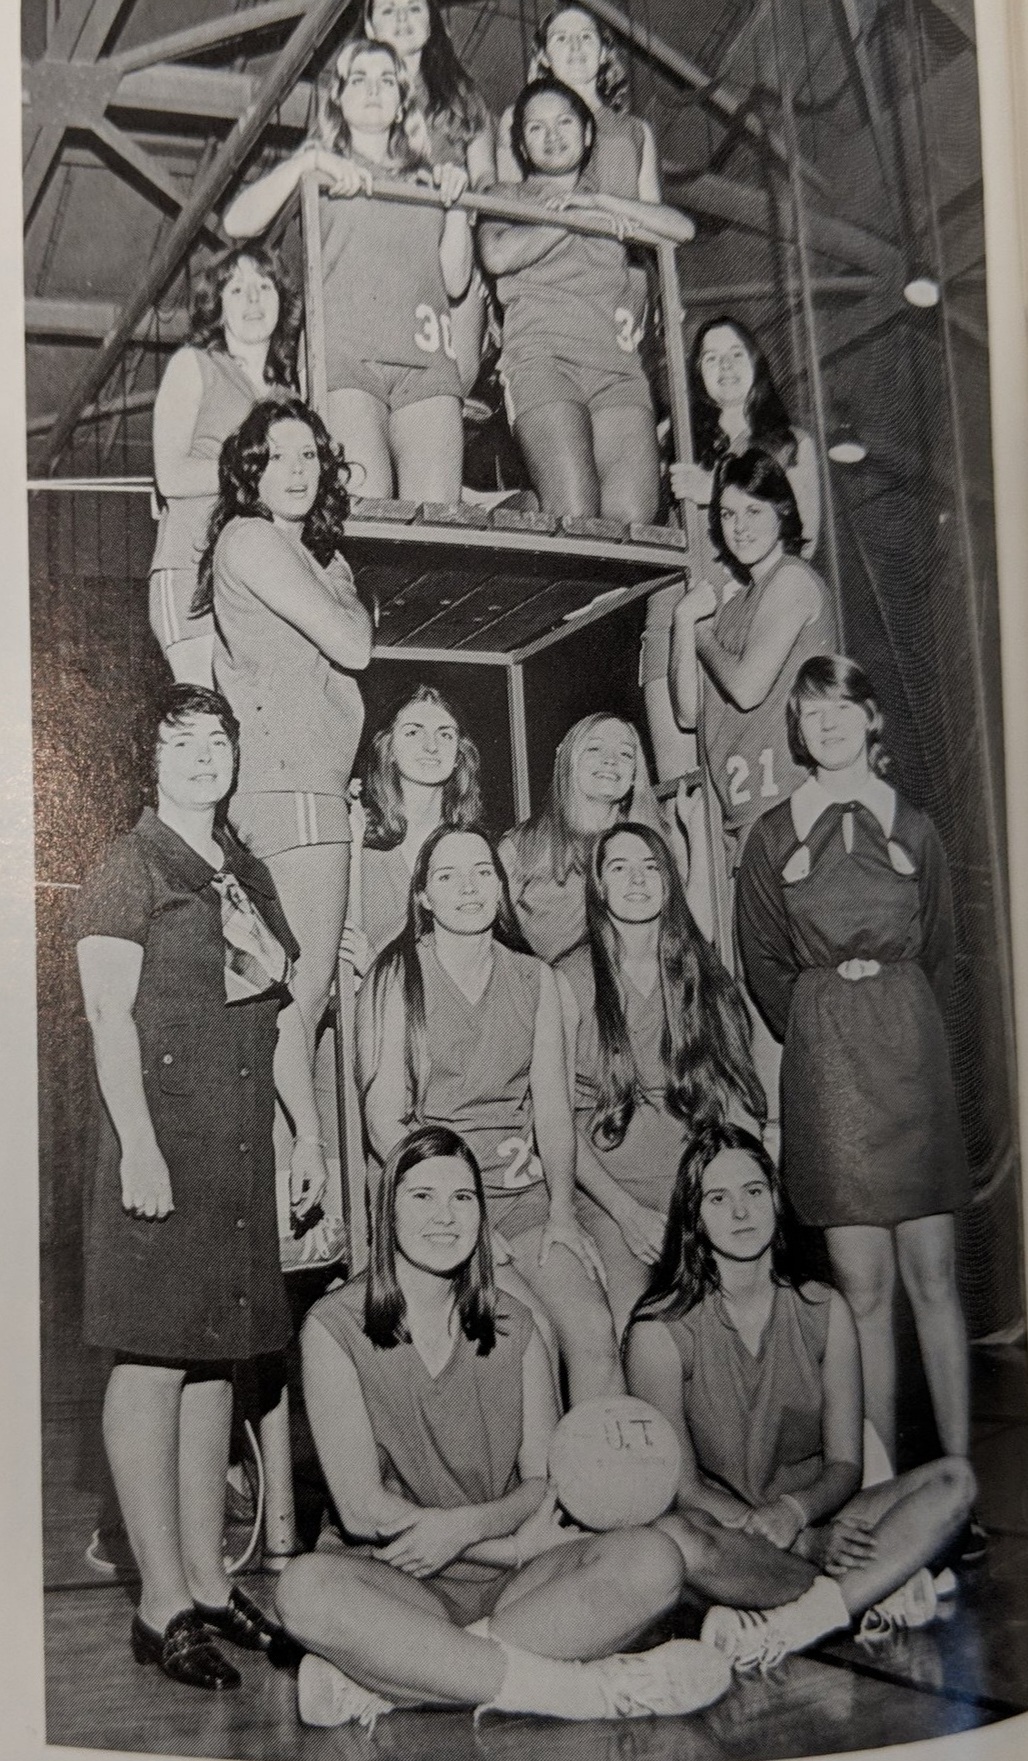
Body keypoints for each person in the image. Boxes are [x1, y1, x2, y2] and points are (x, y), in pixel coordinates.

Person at [275, 1125, 731, 1727]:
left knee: (656, 1561)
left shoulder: (516, 1326)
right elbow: (364, 1513)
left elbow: (542, 1482)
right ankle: (580, 1690)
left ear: (482, 1215)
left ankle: (400, 1677)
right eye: (422, 1197)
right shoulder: (333, 1326)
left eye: (463, 1198)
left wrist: (474, 1534)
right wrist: (495, 1539)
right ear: (386, 1213)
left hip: (513, 1583)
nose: (445, 1216)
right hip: (398, 1581)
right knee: (302, 1591)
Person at [72, 684, 327, 1688]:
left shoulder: (249, 875)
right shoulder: (126, 866)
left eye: (217, 740)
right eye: (181, 741)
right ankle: (159, 1603)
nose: (202, 756)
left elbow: (277, 1016)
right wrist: (137, 1145)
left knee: (216, 1364)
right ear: (152, 760)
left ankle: (210, 1588)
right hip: (161, 1148)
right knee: (149, 1363)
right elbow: (108, 1018)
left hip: (236, 1153)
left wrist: (306, 1133)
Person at [735, 656, 973, 1471]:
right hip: (828, 1069)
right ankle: (882, 1484)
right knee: (863, 1291)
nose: (826, 722)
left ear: (871, 719)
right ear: (797, 729)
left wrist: (892, 1004)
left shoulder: (915, 825)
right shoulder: (773, 834)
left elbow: (943, 950)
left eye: (841, 707)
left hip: (911, 1057)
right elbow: (762, 962)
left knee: (935, 1277)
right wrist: (820, 1015)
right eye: (809, 712)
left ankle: (957, 1473)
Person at [626, 1124, 976, 1672]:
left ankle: (801, 1619)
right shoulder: (658, 1331)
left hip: (815, 1517)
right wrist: (803, 1542)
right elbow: (684, 1490)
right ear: (694, 1216)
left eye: (753, 1192)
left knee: (956, 1479)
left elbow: (845, 1464)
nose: (741, 1212)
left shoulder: (824, 1308)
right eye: (718, 1198)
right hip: (737, 1537)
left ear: (775, 1199)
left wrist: (798, 1512)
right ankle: (872, 1586)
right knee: (675, 1541)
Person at [356, 824, 622, 1404]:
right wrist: (467, 1218)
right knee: (532, 1335)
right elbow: (384, 1127)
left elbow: (553, 1112)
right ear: (423, 896)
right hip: (434, 1197)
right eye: (448, 877)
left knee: (594, 1330)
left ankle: (604, 1490)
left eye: (483, 872)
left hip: (521, 1193)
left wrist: (561, 1214)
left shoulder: (536, 980)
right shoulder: (395, 975)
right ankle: (538, 1491)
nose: (469, 888)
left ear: (502, 889)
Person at [196, 397, 371, 1102]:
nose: (294, 470)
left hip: (286, 789)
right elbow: (355, 642)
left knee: (281, 997)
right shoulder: (258, 539)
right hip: (295, 795)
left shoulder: (284, 549)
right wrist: (346, 587)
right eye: (275, 456)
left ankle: (280, 1187)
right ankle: (287, 1182)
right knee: (300, 1002)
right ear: (250, 471)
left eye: (308, 455)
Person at [223, 39, 471, 504]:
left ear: (402, 101)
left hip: (426, 357)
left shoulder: (429, 177)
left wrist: (457, 206)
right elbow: (237, 222)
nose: (373, 90)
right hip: (346, 358)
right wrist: (309, 160)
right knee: (364, 512)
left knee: (439, 518)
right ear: (338, 96)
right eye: (359, 79)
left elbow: (456, 281)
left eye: (386, 81)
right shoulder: (323, 169)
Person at [556, 822, 766, 1337]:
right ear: (598, 885)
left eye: (651, 867)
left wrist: (741, 1190)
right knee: (634, 1323)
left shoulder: (701, 970)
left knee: (731, 1320)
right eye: (619, 867)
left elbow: (736, 1100)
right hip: (610, 1199)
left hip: (696, 1192)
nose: (637, 880)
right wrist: (626, 1214)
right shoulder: (568, 978)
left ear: (670, 882)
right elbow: (554, 1124)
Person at [478, 77, 692, 526]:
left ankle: (540, 511)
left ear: (588, 132)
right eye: (536, 128)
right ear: (520, 143)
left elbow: (681, 230)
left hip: (615, 366)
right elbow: (497, 255)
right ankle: (498, 513)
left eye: (564, 122)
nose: (552, 135)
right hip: (543, 357)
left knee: (631, 519)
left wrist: (599, 200)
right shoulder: (506, 195)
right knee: (574, 511)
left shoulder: (607, 203)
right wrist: (570, 217)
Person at [644, 316, 820, 784]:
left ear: (756, 362)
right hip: (676, 605)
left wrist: (717, 489)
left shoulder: (790, 444)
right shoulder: (673, 439)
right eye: (710, 357)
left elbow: (806, 538)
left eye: (736, 353)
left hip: (744, 611)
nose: (724, 366)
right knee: (680, 784)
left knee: (735, 772)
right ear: (695, 372)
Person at [669, 447, 838, 856]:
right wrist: (681, 623)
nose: (739, 527)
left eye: (754, 512)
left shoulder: (792, 579)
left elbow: (746, 688)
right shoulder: (730, 608)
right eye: (727, 514)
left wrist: (702, 633)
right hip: (751, 824)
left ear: (781, 513)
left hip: (801, 816)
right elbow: (688, 712)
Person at [148, 244, 299, 687]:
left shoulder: (290, 397)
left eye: (264, 286)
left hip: (259, 579)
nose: (253, 299)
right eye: (237, 290)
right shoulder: (194, 366)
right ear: (218, 306)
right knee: (205, 722)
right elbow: (171, 475)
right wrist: (256, 466)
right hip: (192, 569)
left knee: (253, 729)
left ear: (281, 300)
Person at [363, 0, 496, 394]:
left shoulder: (463, 96)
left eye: (413, 7)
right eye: (389, 9)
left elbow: (487, 179)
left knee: (456, 382)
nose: (403, 18)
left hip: (451, 250)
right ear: (370, 27)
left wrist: (487, 258)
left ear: (432, 19)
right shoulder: (354, 96)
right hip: (386, 250)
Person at [498, 711, 672, 965]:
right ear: (568, 759)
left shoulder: (652, 844)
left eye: (625, 753)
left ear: (635, 774)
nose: (611, 760)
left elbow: (681, 932)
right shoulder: (521, 848)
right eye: (595, 749)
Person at [343, 682, 483, 973]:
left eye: (445, 734)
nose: (431, 746)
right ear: (389, 749)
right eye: (413, 732)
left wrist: (374, 967)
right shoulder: (357, 835)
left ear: (458, 756)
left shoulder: (470, 848)